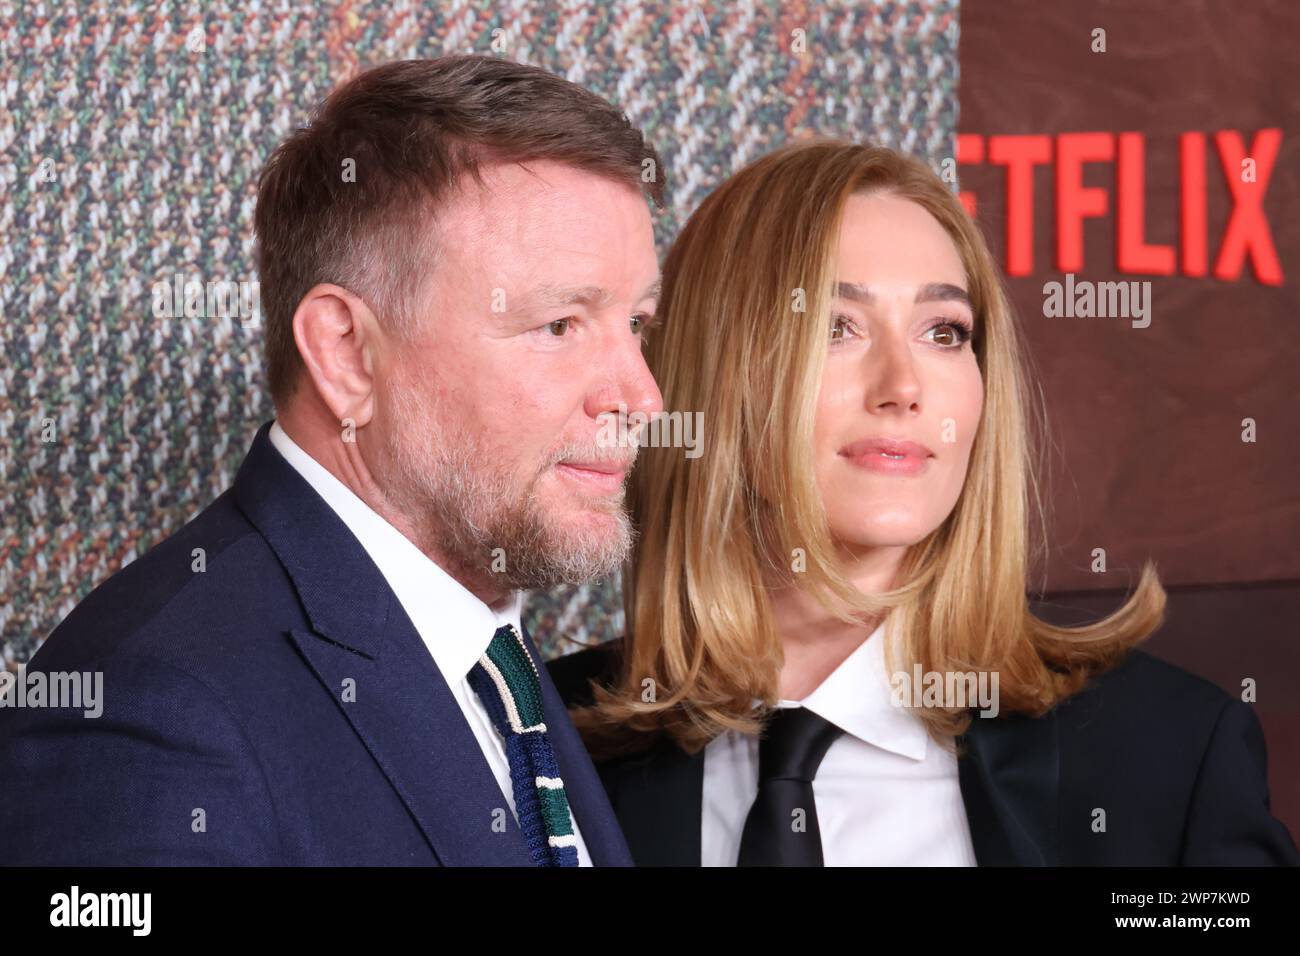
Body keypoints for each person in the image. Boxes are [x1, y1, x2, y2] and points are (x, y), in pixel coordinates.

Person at [548, 139, 1300, 866]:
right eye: (834, 327)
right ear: (712, 366)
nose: (904, 387)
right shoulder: (537, 744)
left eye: (944, 332)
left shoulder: (1170, 753)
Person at [0, 55, 664, 866]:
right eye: (559, 324)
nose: (641, 397)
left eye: (637, 324)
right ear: (347, 352)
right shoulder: (150, 718)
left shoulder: (502, 665)